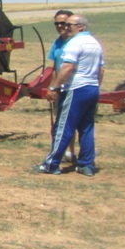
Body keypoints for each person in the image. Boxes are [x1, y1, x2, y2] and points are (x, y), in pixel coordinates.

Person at [35, 14, 104, 177]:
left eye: (69, 25)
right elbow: (100, 70)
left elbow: (67, 68)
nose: (65, 28)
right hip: (91, 88)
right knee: (87, 127)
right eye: (64, 25)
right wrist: (95, 86)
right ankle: (86, 165)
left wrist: (54, 87)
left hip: (75, 88)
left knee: (63, 126)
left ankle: (51, 164)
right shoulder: (95, 43)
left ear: (81, 27)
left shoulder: (74, 43)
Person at [45, 10, 77, 165]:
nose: (60, 26)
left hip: (75, 86)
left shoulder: (76, 42)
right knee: (61, 121)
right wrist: (52, 88)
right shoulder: (57, 43)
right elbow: (54, 68)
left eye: (63, 23)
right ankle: (65, 151)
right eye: (56, 23)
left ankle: (73, 153)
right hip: (61, 87)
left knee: (74, 122)